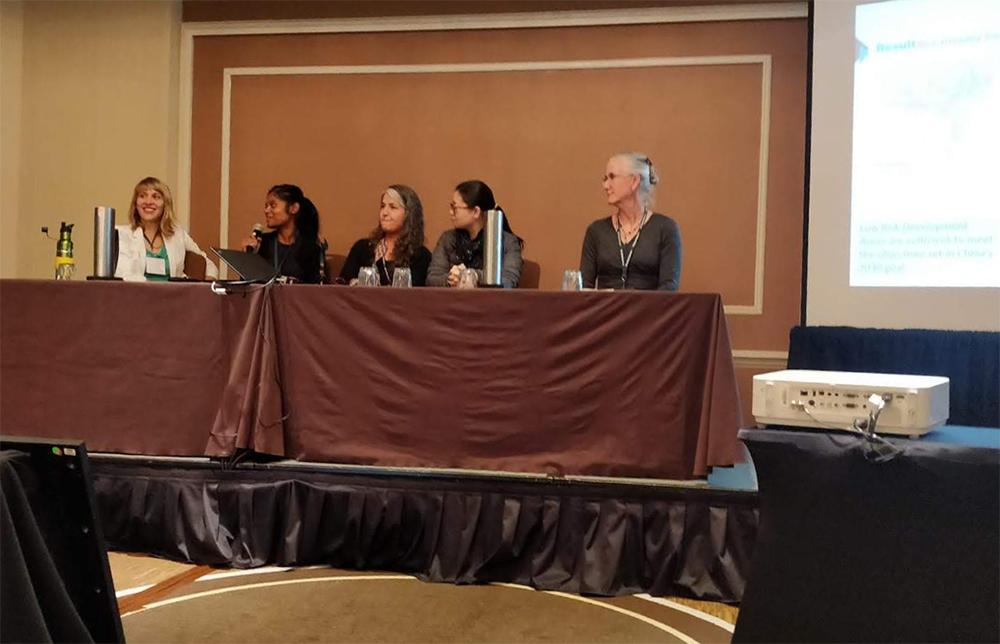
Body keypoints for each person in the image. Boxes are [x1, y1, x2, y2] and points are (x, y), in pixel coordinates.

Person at [580, 152, 681, 290]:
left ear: (634, 181)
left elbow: (668, 290)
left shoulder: (666, 229)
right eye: (605, 178)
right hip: (605, 311)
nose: (606, 185)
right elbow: (583, 289)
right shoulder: (596, 231)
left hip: (650, 311)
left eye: (612, 177)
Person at [115, 177, 219, 282]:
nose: (148, 201)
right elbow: (121, 275)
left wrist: (207, 283)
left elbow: (208, 264)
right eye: (142, 196)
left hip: (174, 296)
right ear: (136, 203)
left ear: (165, 204)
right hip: (136, 295)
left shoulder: (178, 235)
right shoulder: (121, 234)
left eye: (156, 197)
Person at [426, 180, 523, 288]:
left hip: (491, 303)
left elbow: (509, 282)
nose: (450, 212)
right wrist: (450, 279)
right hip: (452, 302)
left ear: (476, 211)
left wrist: (474, 276)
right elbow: (432, 278)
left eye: (455, 207)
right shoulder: (448, 239)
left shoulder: (508, 242)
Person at [340, 184, 432, 286]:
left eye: (393, 207)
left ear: (408, 215)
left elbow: (415, 295)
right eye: (383, 206)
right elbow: (342, 286)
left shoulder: (421, 256)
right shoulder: (362, 248)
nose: (384, 212)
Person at [242, 184, 324, 284]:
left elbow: (316, 290)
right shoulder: (262, 243)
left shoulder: (309, 246)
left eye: (273, 205)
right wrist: (249, 257)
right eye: (266, 206)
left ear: (293, 208)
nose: (266, 211)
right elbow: (246, 287)